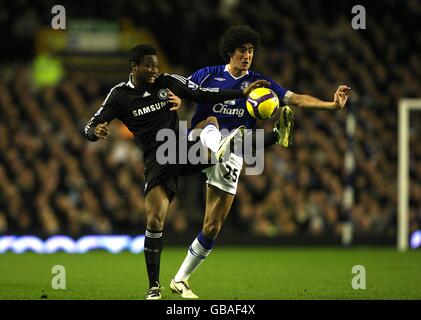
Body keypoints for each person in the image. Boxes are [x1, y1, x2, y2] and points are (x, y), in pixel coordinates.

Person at [170, 25, 352, 298]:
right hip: (198, 142)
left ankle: (180, 279)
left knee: (212, 226)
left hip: (233, 154)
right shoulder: (207, 74)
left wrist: (332, 105)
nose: (247, 56)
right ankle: (237, 140)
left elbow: (296, 100)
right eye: (243, 50)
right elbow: (179, 88)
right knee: (210, 121)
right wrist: (170, 98)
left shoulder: (260, 84)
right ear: (230, 51)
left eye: (251, 51)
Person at [84, 44, 267, 300]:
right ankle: (154, 287)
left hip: (181, 147)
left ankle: (231, 147)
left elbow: (203, 94)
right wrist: (95, 132)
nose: (153, 70)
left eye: (155, 65)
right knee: (155, 220)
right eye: (147, 65)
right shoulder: (119, 95)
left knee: (211, 123)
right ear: (134, 66)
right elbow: (91, 125)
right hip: (157, 159)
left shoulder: (167, 81)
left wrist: (240, 92)